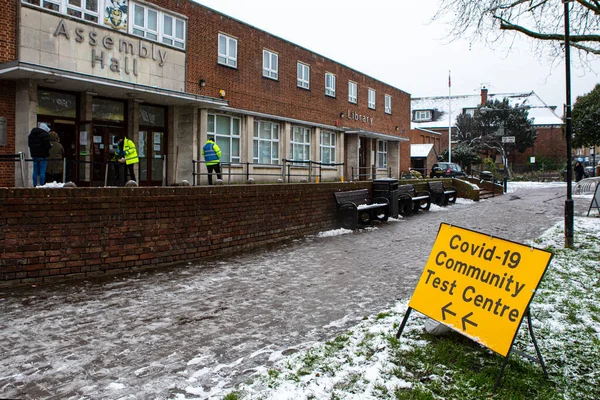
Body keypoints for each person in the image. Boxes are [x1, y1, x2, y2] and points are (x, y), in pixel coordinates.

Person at [28, 123, 52, 187]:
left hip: (34, 155)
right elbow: (47, 145)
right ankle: (42, 184)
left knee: (35, 170)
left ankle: (35, 184)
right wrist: (50, 146)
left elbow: (29, 144)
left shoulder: (31, 134)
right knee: (42, 170)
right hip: (43, 155)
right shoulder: (45, 135)